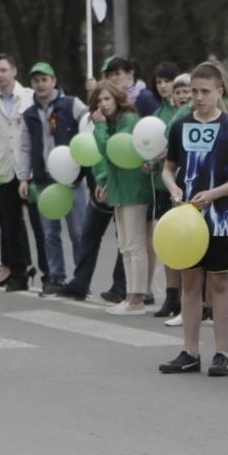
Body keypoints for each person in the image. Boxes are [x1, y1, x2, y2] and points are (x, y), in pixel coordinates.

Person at [158, 63, 228, 376]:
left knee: (220, 283)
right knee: (190, 283)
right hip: (186, 221)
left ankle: (221, 352)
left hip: (220, 217)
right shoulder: (180, 126)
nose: (197, 97)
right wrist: (173, 187)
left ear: (219, 93)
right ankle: (189, 350)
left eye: (204, 92)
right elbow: (168, 168)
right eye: (194, 91)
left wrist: (214, 194)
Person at [17, 62, 89, 296]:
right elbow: (25, 148)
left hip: (70, 178)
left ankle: (81, 279)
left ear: (53, 81)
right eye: (36, 80)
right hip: (44, 180)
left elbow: (89, 127)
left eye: (44, 79)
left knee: (78, 232)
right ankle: (56, 277)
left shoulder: (70, 104)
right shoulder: (29, 114)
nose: (40, 84)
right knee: (49, 233)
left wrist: (83, 167)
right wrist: (24, 178)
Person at [91, 81, 152, 315]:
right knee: (125, 245)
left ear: (117, 98)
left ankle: (137, 299)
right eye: (98, 101)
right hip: (120, 188)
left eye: (106, 99)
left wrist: (98, 128)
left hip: (133, 188)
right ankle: (129, 296)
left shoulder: (127, 121)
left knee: (135, 245)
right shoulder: (111, 123)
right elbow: (107, 159)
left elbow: (110, 149)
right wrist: (104, 179)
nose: (103, 105)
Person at [0, 54, 40, 292]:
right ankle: (18, 273)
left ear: (14, 71)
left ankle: (49, 276)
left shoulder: (29, 97)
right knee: (10, 225)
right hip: (4, 171)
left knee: (38, 224)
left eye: (3, 70)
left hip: (29, 169)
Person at [150, 61, 185, 317]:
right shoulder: (158, 112)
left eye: (185, 91)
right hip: (165, 184)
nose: (180, 95)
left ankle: (187, 297)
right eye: (178, 92)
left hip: (187, 185)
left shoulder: (188, 115)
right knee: (168, 240)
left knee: (186, 240)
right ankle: (171, 295)